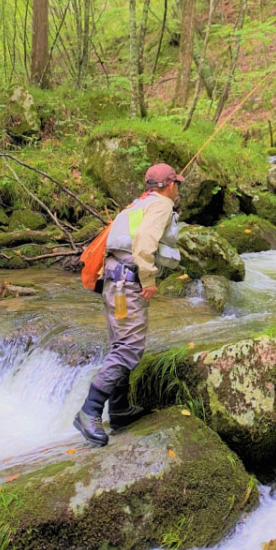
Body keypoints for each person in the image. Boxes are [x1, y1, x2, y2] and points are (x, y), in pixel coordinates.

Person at [74, 162, 185, 446]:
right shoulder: (160, 206)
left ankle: (120, 409)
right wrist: (148, 279)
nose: (179, 190)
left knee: (119, 344)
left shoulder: (137, 204)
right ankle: (90, 411)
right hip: (130, 282)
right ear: (169, 185)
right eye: (178, 185)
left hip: (114, 283)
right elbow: (144, 245)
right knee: (129, 348)